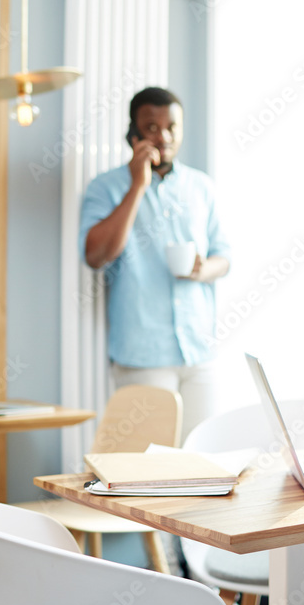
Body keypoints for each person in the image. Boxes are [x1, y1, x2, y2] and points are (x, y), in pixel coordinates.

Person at [80, 86, 231, 441]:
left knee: (201, 457)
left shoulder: (201, 187)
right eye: (151, 127)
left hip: (199, 350)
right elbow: (95, 255)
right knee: (148, 462)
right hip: (142, 355)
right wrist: (137, 186)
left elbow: (223, 256)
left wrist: (202, 270)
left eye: (171, 127)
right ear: (132, 133)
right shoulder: (106, 187)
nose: (163, 137)